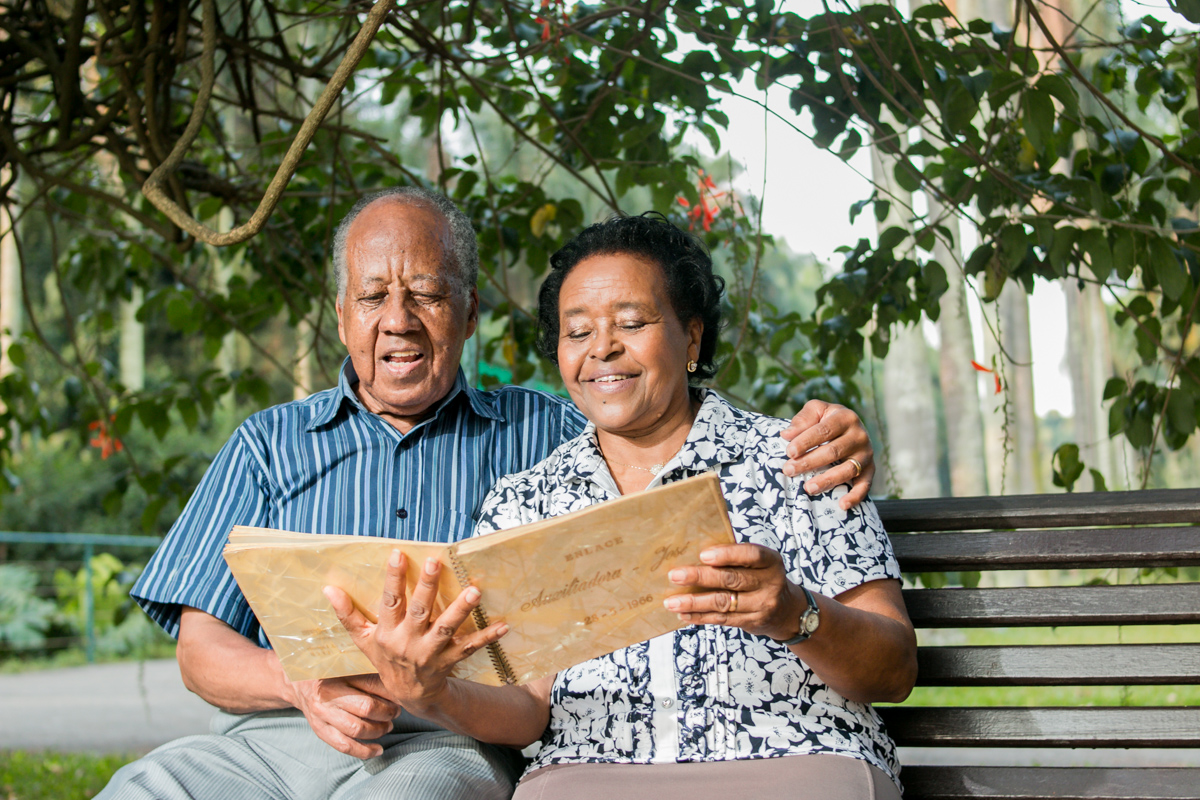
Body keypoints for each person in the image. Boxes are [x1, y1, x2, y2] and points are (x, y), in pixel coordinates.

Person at [98, 191, 881, 800]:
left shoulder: (542, 439)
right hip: (275, 735)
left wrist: (829, 433)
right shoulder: (267, 445)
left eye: (427, 295)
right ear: (342, 316)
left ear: (468, 312)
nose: (397, 321)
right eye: (372, 298)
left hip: (447, 740)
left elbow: (650, 409)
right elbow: (199, 651)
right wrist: (302, 687)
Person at [328, 212, 917, 800]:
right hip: (589, 775)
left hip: (796, 758)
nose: (602, 349)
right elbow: (528, 705)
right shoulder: (527, 500)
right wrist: (429, 692)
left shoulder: (799, 459)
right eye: (578, 333)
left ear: (691, 336)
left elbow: (893, 670)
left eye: (632, 323)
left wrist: (793, 613)